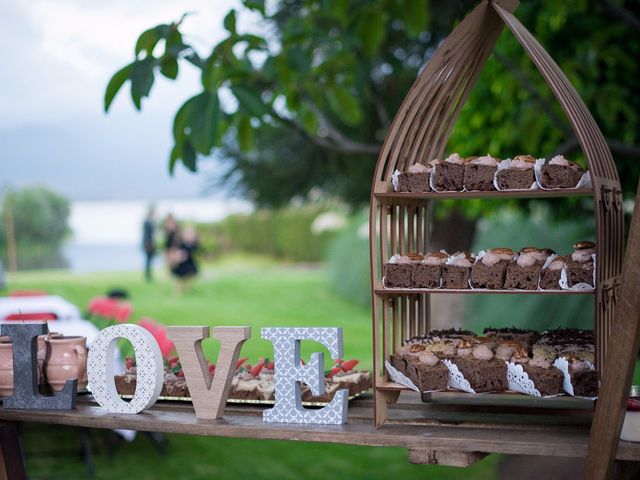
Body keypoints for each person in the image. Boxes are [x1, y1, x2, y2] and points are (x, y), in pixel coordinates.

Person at [169, 225, 199, 294]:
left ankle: (189, 290)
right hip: (181, 264)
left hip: (189, 263)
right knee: (179, 278)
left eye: (191, 235)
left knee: (190, 276)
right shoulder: (181, 243)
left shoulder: (193, 245)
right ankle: (177, 291)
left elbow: (194, 251)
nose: (189, 236)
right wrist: (178, 256)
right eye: (188, 234)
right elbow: (177, 251)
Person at [142, 206, 156, 282]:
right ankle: (148, 276)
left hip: (151, 244)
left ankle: (149, 275)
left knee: (149, 260)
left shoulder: (151, 221)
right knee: (148, 260)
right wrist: (148, 244)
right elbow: (146, 235)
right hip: (148, 244)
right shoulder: (146, 222)